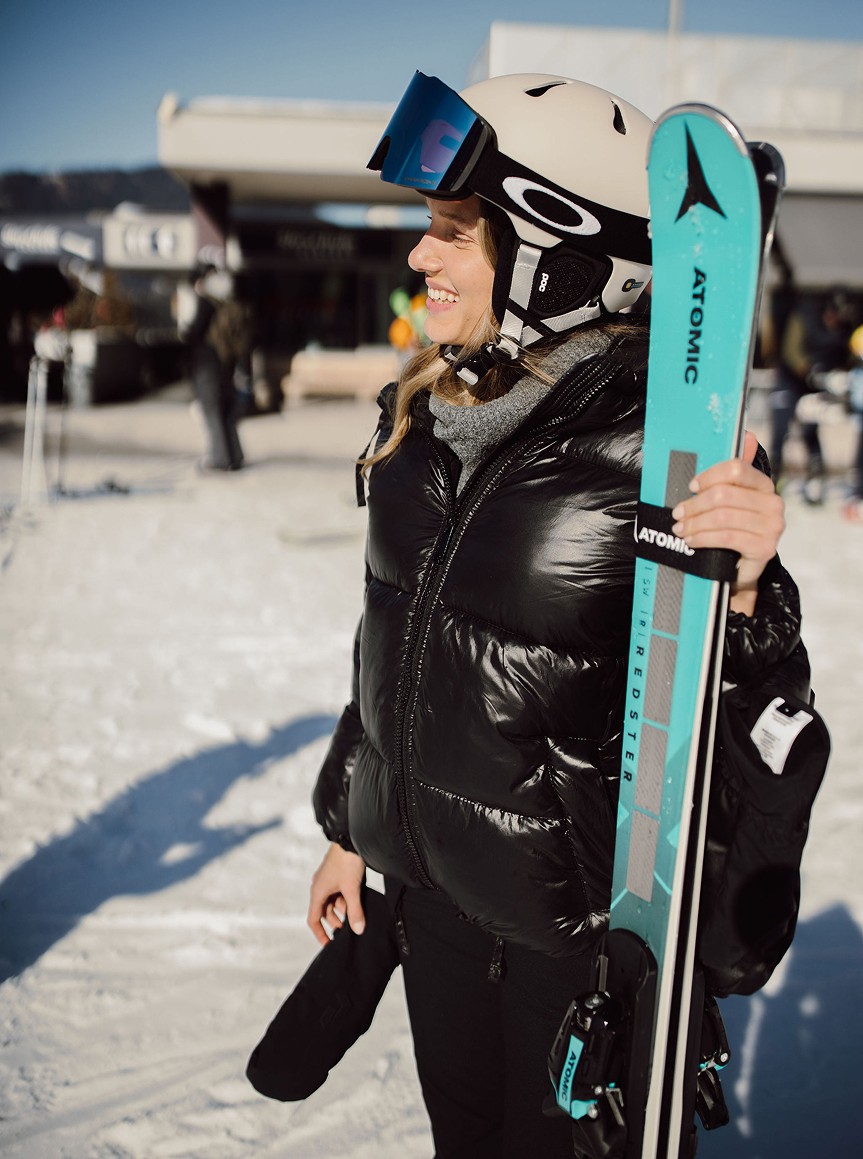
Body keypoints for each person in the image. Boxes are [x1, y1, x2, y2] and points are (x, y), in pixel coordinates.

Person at [307, 73, 811, 1157]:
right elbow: (395, 646)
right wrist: (353, 828)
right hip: (432, 903)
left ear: (557, 253)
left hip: (567, 947)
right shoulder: (428, 415)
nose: (417, 257)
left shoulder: (659, 449)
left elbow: (725, 726)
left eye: (450, 231)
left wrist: (748, 594)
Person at [769, 288, 853, 504]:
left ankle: (815, 483)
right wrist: (807, 370)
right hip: (790, 379)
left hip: (816, 384)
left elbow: (845, 356)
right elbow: (791, 350)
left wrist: (837, 375)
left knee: (810, 430)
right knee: (781, 431)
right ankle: (773, 480)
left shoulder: (843, 330)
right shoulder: (804, 317)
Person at [181, 267, 245, 472]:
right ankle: (235, 456)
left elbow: (194, 334)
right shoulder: (226, 302)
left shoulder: (206, 302)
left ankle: (220, 459)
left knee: (212, 411)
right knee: (225, 411)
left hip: (207, 364)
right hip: (226, 363)